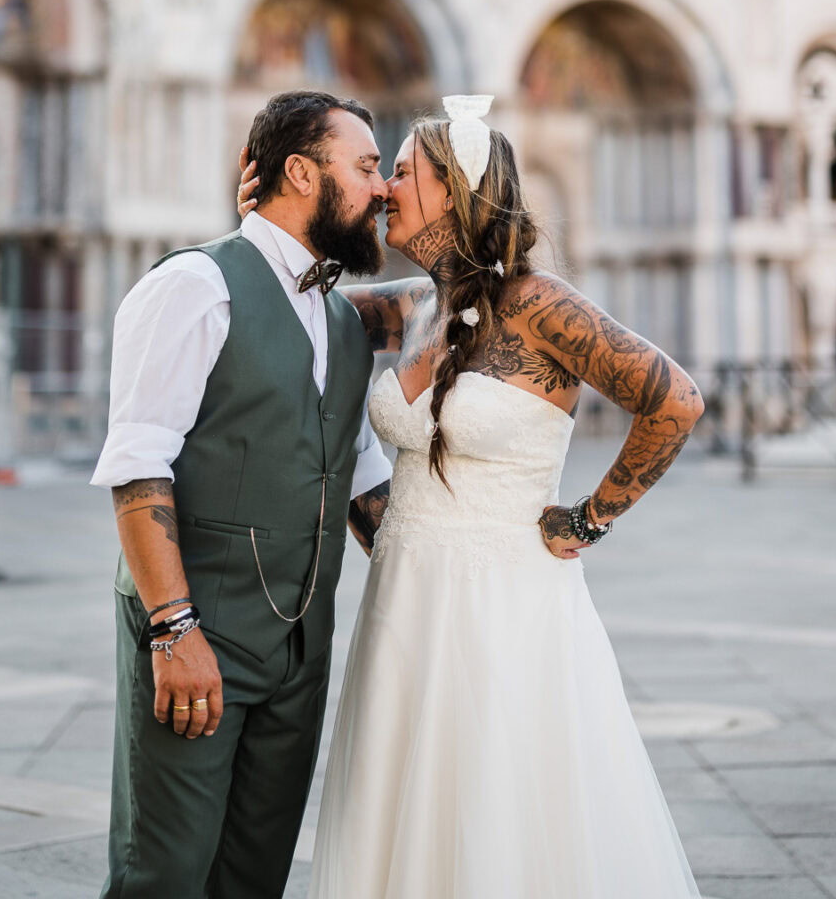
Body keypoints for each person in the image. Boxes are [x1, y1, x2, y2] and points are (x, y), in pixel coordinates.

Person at [238, 94, 705, 898]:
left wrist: (589, 519)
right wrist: (259, 220)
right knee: (400, 808)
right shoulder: (414, 307)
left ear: (454, 194)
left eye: (403, 174)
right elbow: (295, 307)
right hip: (404, 601)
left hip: (504, 603)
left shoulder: (540, 303)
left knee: (496, 810)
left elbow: (675, 400)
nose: (382, 188)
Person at [91, 90, 395, 899]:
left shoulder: (338, 316)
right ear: (300, 172)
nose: (384, 188)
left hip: (301, 647)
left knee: (252, 877)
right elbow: (137, 464)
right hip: (200, 631)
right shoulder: (194, 284)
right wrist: (174, 630)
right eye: (366, 167)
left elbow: (361, 474)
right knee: (164, 873)